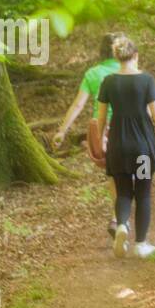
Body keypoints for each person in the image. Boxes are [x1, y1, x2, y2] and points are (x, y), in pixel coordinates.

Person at [96, 35, 155, 258]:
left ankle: (122, 224)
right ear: (136, 56)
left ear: (116, 57)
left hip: (119, 148)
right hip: (142, 149)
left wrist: (100, 141)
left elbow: (101, 117)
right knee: (143, 193)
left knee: (123, 191)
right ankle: (141, 244)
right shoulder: (146, 81)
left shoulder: (108, 82)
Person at [53, 33, 120, 234]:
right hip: (129, 126)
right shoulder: (130, 71)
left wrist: (62, 131)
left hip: (102, 131)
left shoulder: (93, 73)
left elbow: (78, 104)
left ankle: (117, 217)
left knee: (114, 174)